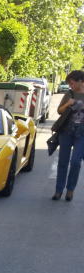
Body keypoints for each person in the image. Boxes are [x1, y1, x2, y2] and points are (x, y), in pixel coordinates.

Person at [53, 70, 84, 201]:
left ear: (80, 81)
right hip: (66, 132)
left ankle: (70, 190)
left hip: (81, 134)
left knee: (76, 162)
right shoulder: (69, 94)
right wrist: (67, 104)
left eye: (72, 83)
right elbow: (59, 111)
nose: (70, 86)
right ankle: (59, 191)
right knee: (63, 162)